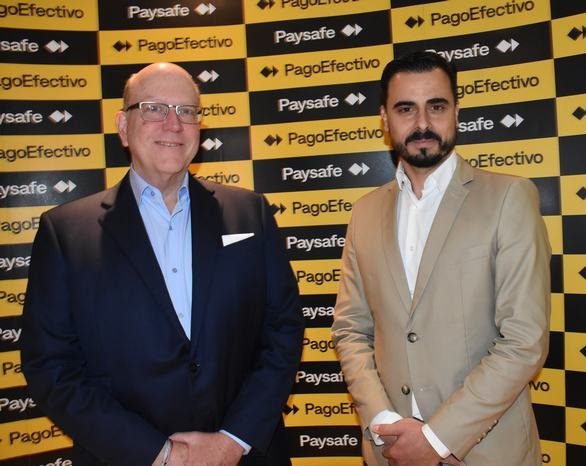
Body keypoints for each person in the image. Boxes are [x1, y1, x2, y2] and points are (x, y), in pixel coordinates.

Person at [21, 62, 304, 466]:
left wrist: (233, 441)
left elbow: (283, 329)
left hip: (245, 455)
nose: (174, 124)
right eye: (153, 108)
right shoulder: (65, 232)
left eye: (187, 111)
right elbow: (51, 367)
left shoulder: (250, 212)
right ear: (123, 126)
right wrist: (161, 454)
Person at [331, 51, 551, 466]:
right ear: (384, 119)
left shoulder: (509, 198)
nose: (422, 124)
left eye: (436, 106)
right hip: (389, 449)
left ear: (456, 113)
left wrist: (436, 438)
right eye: (405, 109)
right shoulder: (364, 212)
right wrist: (382, 420)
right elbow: (351, 330)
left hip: (486, 452)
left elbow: (524, 340)